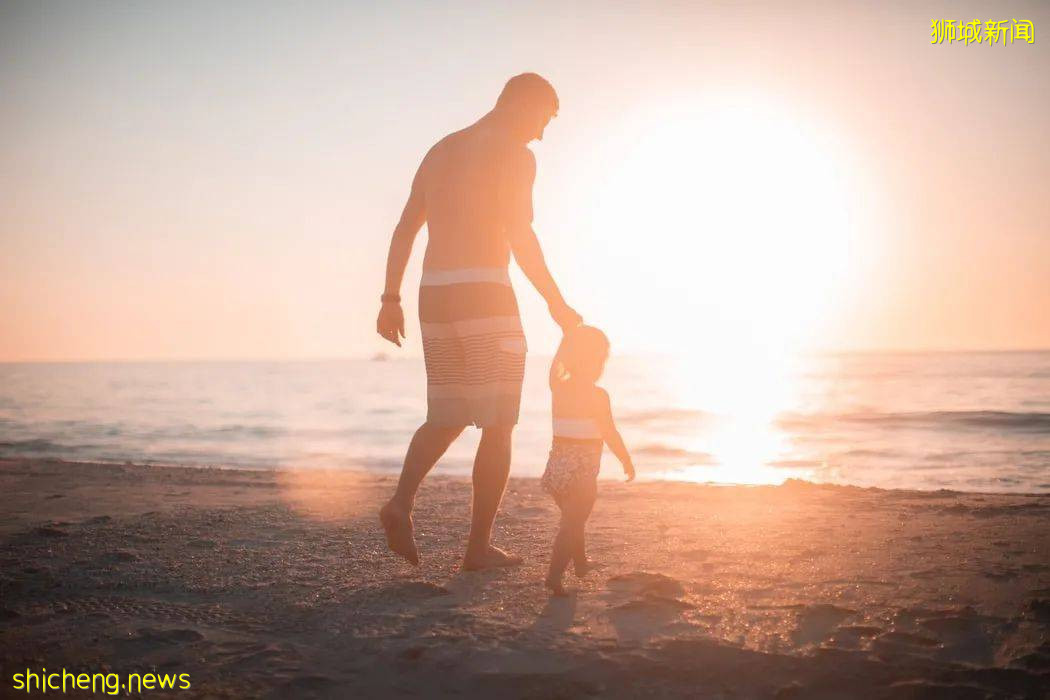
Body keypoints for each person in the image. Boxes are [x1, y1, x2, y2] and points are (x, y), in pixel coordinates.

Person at [376, 73, 581, 570]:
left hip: (435, 295)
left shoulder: (442, 150)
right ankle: (477, 549)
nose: (541, 134)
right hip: (486, 293)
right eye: (543, 119)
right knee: (499, 422)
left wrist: (389, 298)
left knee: (446, 415)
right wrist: (557, 303)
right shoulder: (515, 154)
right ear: (523, 104)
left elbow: (406, 228)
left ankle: (400, 502)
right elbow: (521, 237)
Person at [541, 325, 635, 595]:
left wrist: (565, 336)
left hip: (556, 471)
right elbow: (609, 432)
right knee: (572, 522)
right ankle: (554, 576)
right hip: (582, 472)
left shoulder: (558, 388)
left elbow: (554, 365)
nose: (601, 366)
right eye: (600, 360)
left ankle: (580, 564)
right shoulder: (597, 395)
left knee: (574, 519)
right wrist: (625, 459)